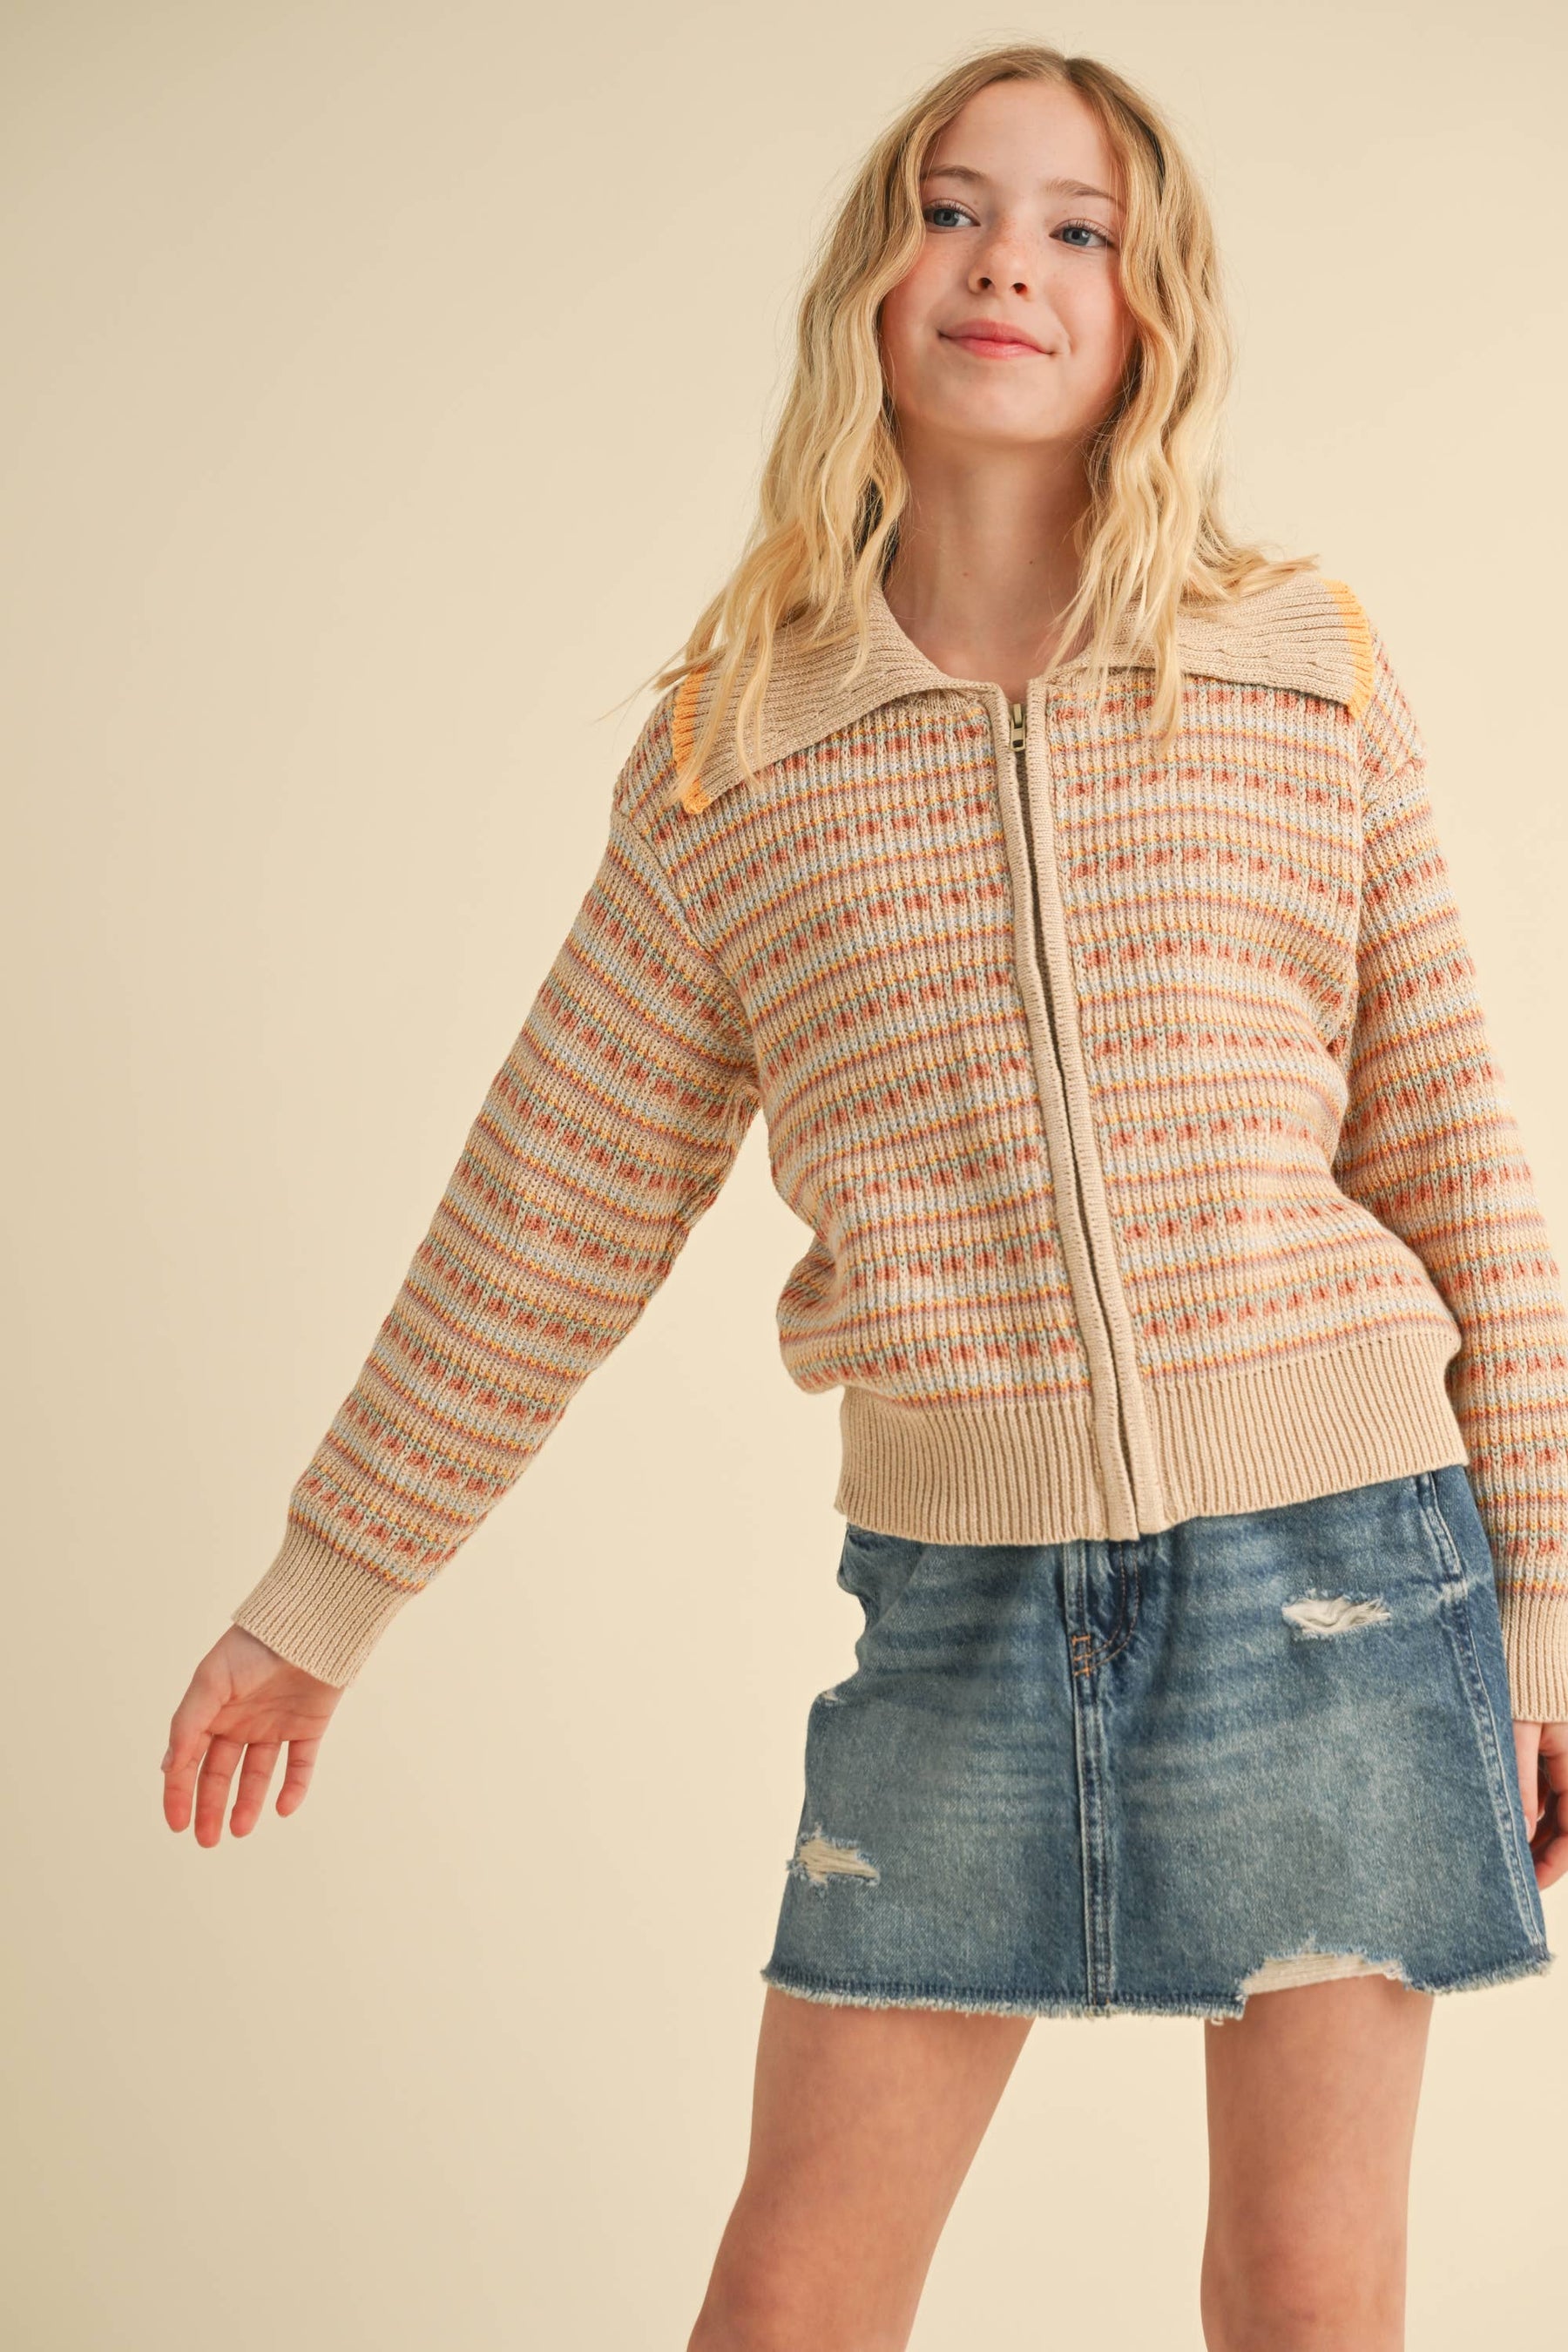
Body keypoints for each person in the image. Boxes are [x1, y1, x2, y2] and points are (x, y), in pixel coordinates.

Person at [160, 40, 1568, 2350]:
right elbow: (550, 1200)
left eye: (1078, 226)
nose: (1009, 259)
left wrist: (1547, 1605)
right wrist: (325, 1592)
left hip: (1341, 1571)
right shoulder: (736, 752)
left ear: (1148, 308)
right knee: (795, 2296)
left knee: (1311, 2294)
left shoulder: (1298, 666)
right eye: (952, 205)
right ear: (872, 283)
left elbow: (1456, 1156)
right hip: (966, 1610)